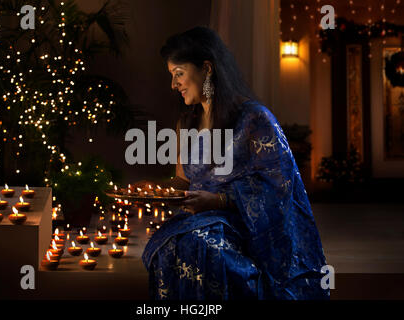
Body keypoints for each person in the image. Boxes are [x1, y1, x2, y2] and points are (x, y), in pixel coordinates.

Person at [140, 26, 329, 300]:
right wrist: (153, 190)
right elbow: (183, 181)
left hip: (244, 225)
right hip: (196, 219)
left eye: (178, 74)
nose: (174, 85)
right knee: (172, 245)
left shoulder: (255, 119)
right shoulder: (187, 122)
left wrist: (217, 201)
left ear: (206, 68)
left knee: (204, 249)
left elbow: (279, 189)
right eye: (172, 76)